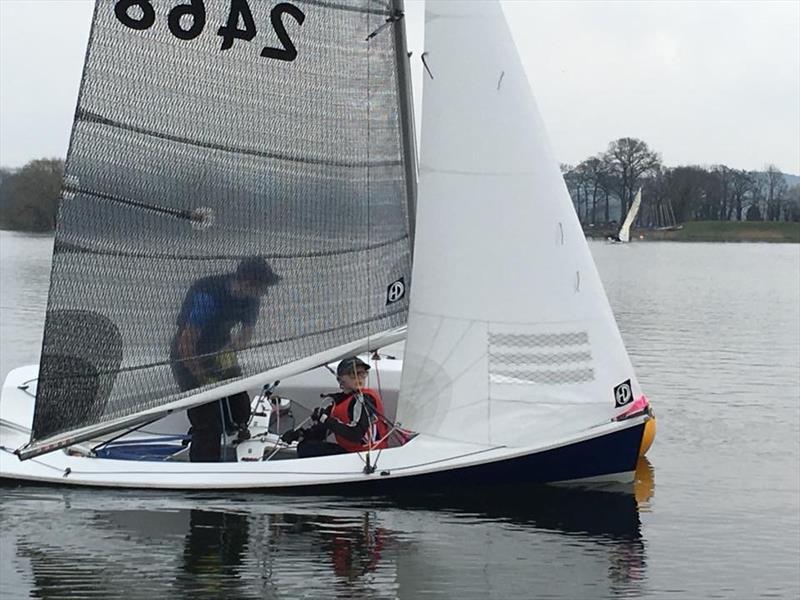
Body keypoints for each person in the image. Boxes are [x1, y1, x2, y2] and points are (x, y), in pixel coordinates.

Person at [170, 257, 281, 462]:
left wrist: (228, 352)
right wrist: (201, 376)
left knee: (240, 413)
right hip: (188, 355)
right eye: (262, 286)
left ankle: (234, 441)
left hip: (220, 350)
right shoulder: (208, 294)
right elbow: (186, 343)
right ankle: (203, 469)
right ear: (248, 282)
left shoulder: (252, 299)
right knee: (209, 423)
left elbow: (245, 336)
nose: (265, 292)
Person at [283, 356, 389, 458]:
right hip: (353, 453)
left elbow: (356, 434)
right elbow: (321, 432)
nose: (359, 378)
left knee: (306, 449)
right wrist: (299, 434)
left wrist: (325, 419)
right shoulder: (338, 403)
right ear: (340, 379)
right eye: (354, 374)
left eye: (363, 373)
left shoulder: (364, 399)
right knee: (306, 446)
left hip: (369, 457)